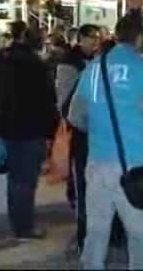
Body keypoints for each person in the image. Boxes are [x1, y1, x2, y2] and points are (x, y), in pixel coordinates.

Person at [68, 13, 143, 269]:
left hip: (97, 162)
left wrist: (101, 127)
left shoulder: (94, 68)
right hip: (134, 164)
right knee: (141, 237)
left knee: (96, 234)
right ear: (140, 37)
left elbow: (75, 116)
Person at [0, 21, 59, 240]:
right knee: (26, 180)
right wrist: (51, 132)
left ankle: (17, 221)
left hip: (8, 126)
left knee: (14, 178)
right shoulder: (37, 66)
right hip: (31, 128)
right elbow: (47, 101)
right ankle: (24, 226)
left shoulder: (3, 60)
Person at [55, 24, 101, 253]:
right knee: (82, 182)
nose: (95, 42)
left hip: (96, 130)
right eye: (91, 38)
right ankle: (84, 231)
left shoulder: (96, 61)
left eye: (97, 38)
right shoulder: (69, 63)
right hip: (80, 130)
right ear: (80, 39)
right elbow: (64, 100)